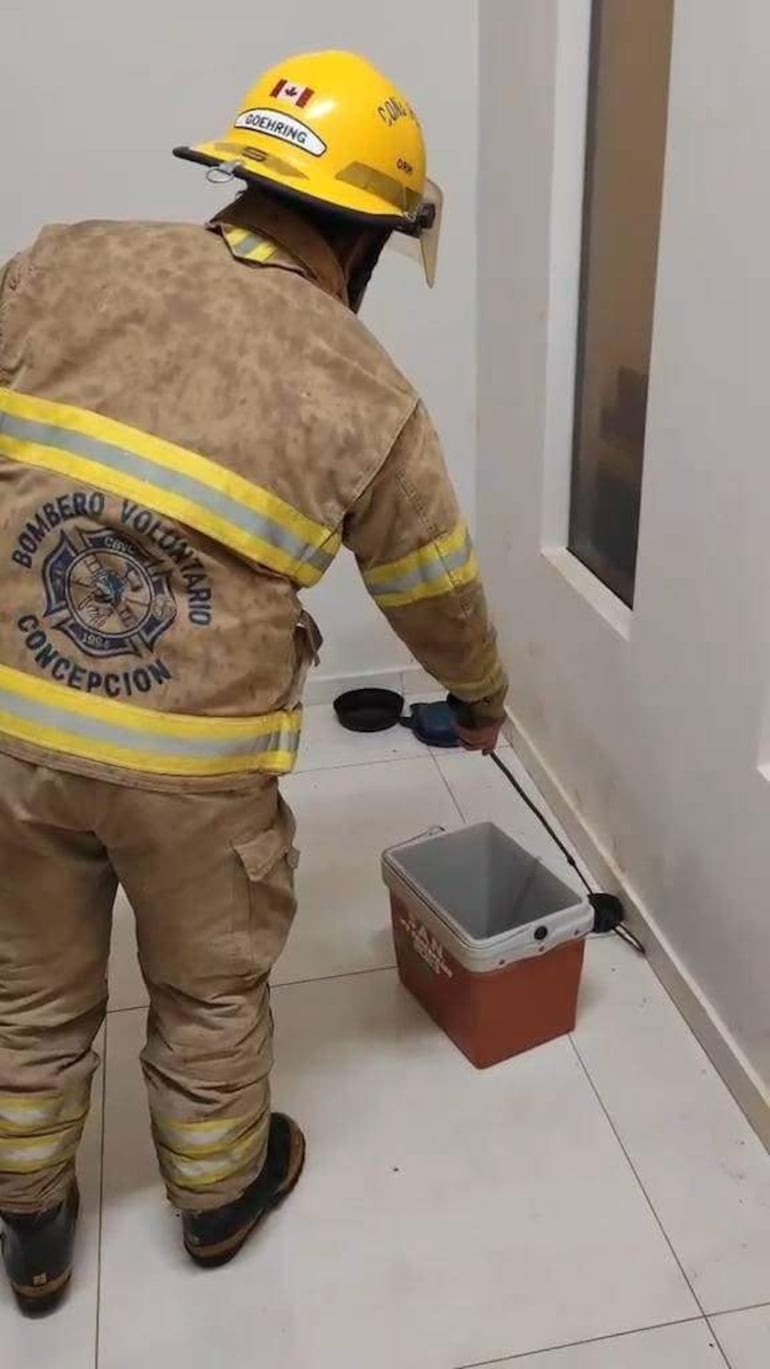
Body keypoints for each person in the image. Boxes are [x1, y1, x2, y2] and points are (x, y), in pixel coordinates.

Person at [0, 50, 507, 1313]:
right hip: (196, 769)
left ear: (239, 177)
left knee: (24, 977)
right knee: (207, 983)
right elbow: (433, 585)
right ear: (371, 239)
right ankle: (219, 1197)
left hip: (15, 723)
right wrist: (481, 695)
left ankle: (30, 1221)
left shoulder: (61, 261)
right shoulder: (362, 382)